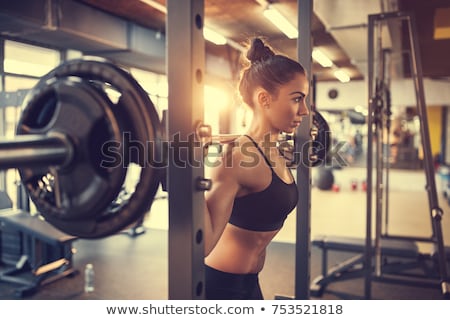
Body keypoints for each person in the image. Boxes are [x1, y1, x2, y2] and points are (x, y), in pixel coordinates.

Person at [203, 37, 310, 299]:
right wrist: (188, 174)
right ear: (264, 98)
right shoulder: (238, 159)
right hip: (220, 286)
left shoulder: (274, 150)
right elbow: (201, 244)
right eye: (297, 99)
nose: (305, 111)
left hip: (250, 283)